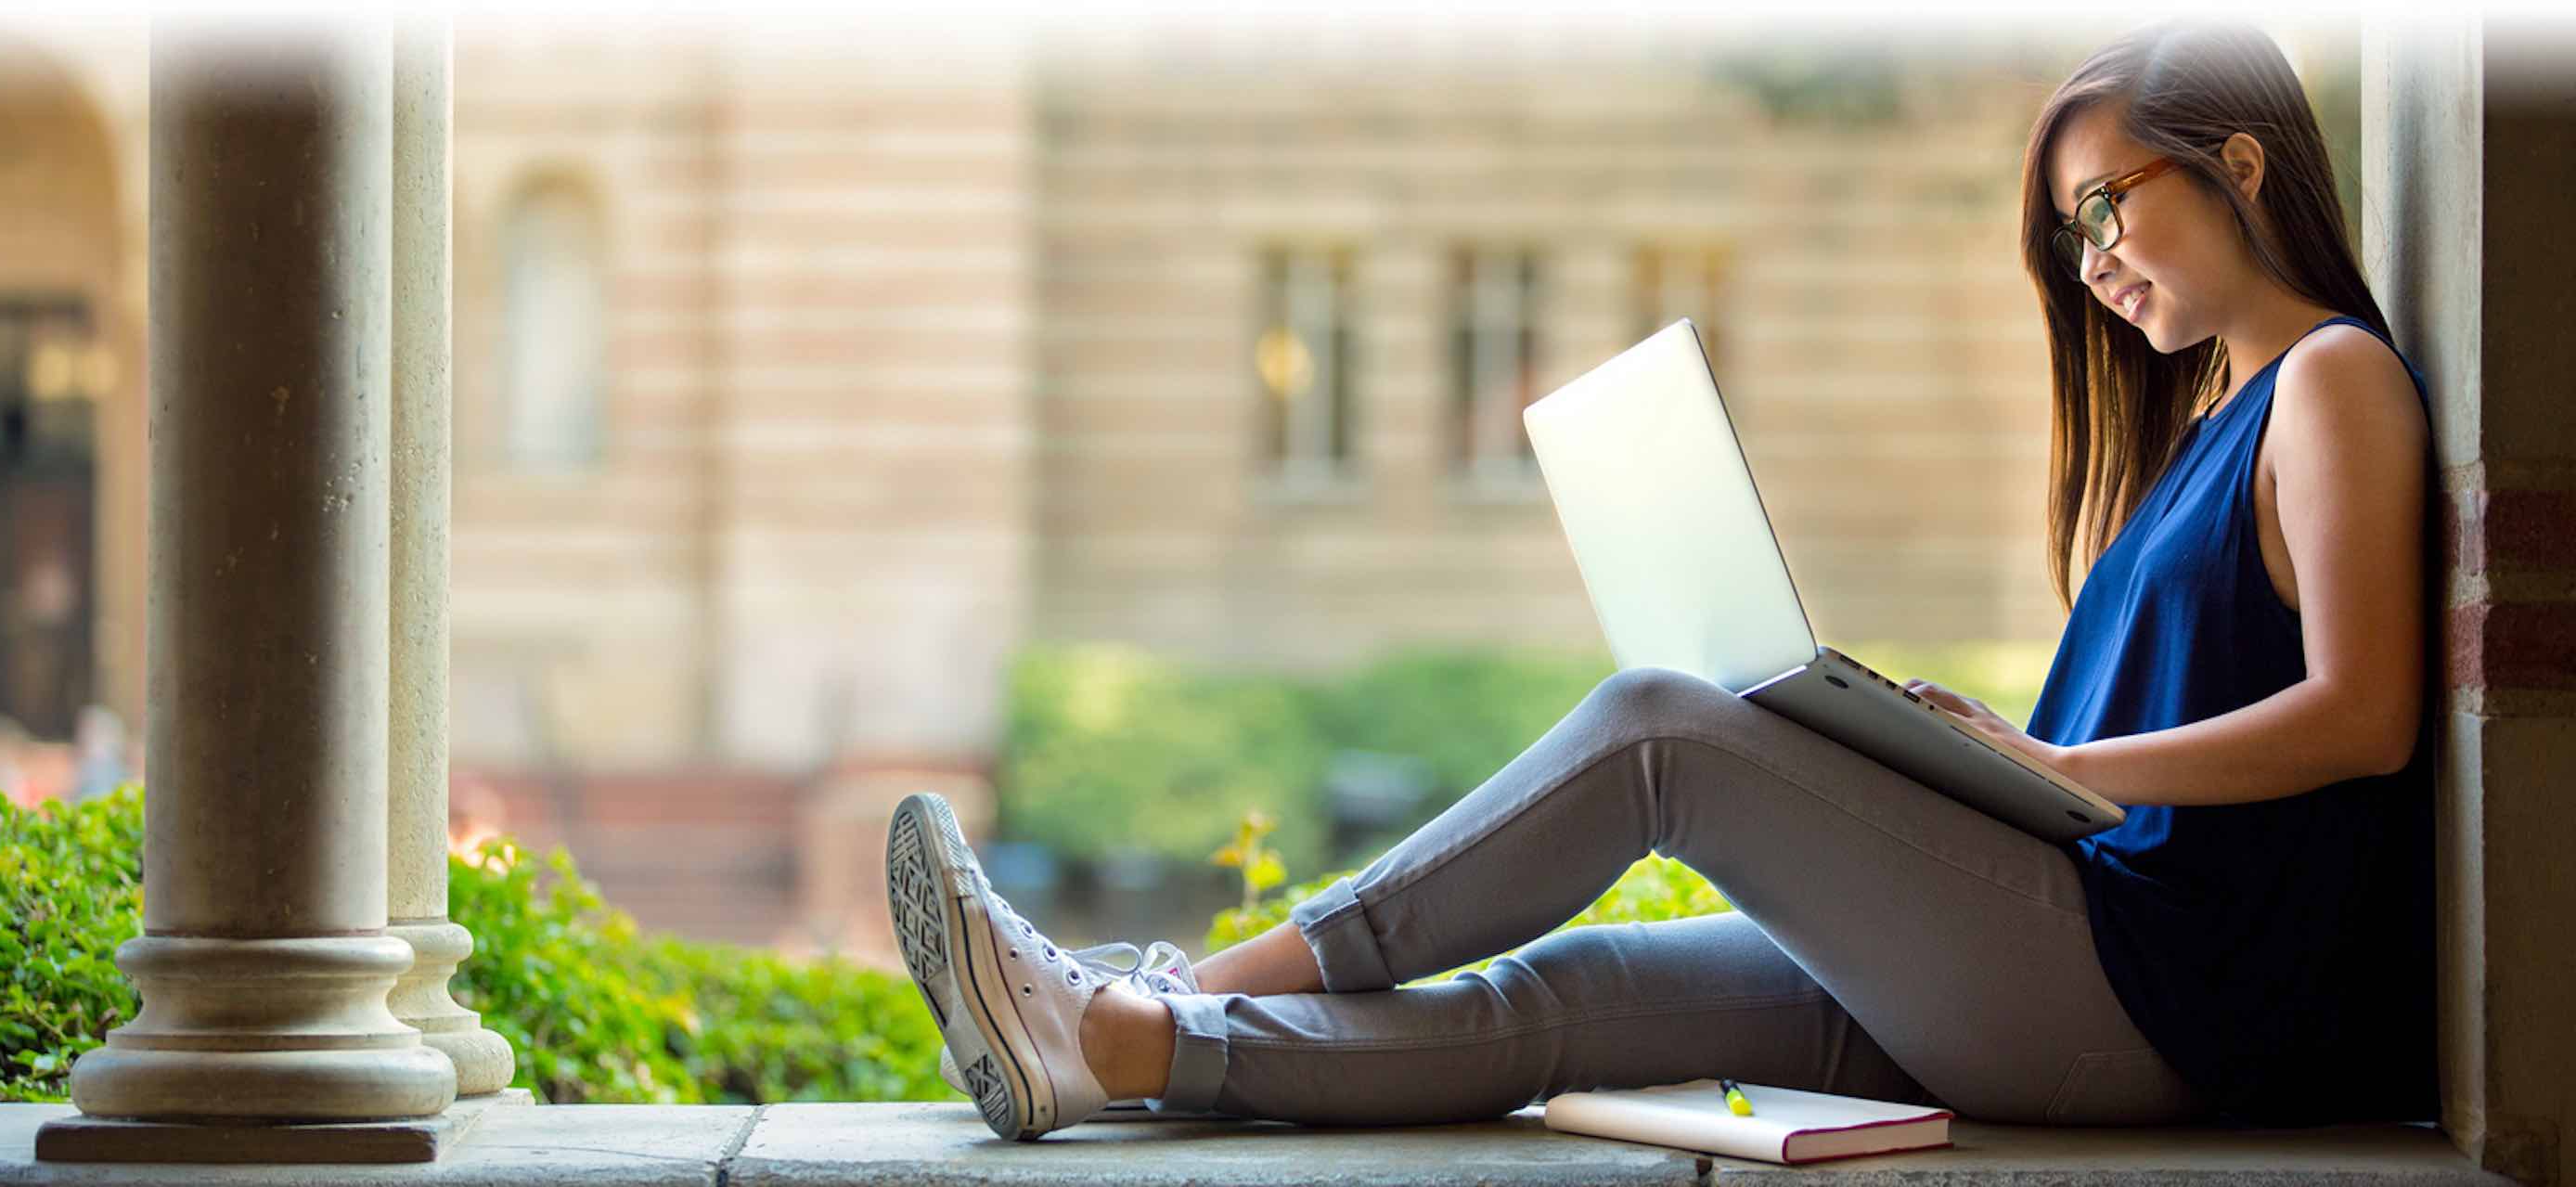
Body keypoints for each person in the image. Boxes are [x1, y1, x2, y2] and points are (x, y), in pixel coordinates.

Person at [885, 18, 2438, 1142]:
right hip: (2072, 965)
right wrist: (1956, 761)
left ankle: (1181, 977)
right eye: (2068, 230)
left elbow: (2363, 718)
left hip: (2162, 1003)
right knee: (1572, 999)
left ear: (2239, 162)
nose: (2092, 255)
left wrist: (2057, 765)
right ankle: (1113, 1044)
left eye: (2110, 204)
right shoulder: (2216, 421)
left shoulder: (2332, 381)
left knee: (1661, 728)